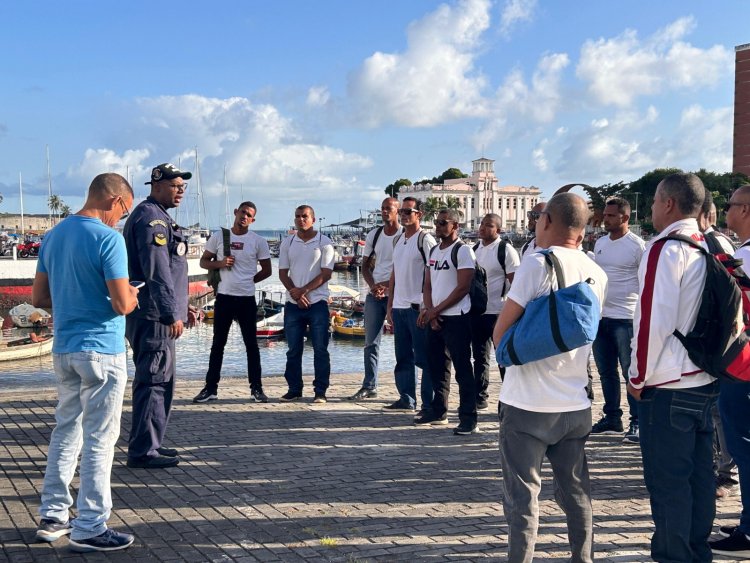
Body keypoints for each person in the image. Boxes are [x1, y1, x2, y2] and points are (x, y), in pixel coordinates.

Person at [492, 193, 607, 562]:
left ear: (547, 221)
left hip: (527, 402)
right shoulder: (598, 273)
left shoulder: (536, 263)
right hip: (575, 403)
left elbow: (500, 336)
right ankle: (583, 557)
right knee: (576, 492)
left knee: (523, 497)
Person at [33, 173, 138, 552]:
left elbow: (40, 297)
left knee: (66, 431)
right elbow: (122, 304)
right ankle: (91, 525)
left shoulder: (54, 236)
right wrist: (131, 297)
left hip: (64, 347)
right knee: (100, 438)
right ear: (115, 201)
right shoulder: (109, 238)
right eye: (124, 211)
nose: (121, 219)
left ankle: (53, 516)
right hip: (102, 349)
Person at [627, 173, 718, 563]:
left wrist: (636, 376)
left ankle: (673, 556)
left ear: (668, 203)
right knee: (700, 478)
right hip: (707, 376)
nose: (649, 210)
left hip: (668, 383)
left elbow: (652, 321)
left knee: (668, 483)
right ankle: (697, 552)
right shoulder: (712, 243)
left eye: (652, 203)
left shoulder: (665, 248)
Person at [124, 163, 196, 469]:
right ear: (156, 185)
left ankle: (150, 442)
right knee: (153, 381)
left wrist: (182, 306)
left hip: (159, 314)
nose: (180, 191)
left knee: (160, 381)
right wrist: (170, 311)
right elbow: (157, 270)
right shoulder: (151, 218)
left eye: (183, 187)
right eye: (175, 186)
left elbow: (171, 271)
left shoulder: (159, 217)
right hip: (153, 316)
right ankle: (143, 451)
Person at [192, 201, 272, 404]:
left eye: (249, 215)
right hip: (224, 298)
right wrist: (220, 263)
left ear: (253, 220)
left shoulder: (258, 241)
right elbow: (203, 262)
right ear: (236, 212)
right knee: (218, 344)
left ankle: (257, 389)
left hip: (246, 299)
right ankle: (211, 388)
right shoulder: (219, 237)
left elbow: (267, 270)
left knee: (251, 345)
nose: (244, 217)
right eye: (242, 212)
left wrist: (248, 280)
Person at [708, 184, 750, 558]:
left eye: (732, 205)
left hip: (744, 365)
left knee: (743, 445)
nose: (727, 211)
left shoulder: (746, 258)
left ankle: (749, 530)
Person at [416, 208, 478, 434]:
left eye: (443, 223)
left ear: (455, 226)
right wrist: (431, 310)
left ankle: (468, 417)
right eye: (436, 222)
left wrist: (436, 311)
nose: (438, 226)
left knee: (462, 369)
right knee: (436, 367)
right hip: (437, 317)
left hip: (457, 318)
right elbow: (428, 284)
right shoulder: (434, 250)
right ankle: (438, 409)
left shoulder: (463, 251)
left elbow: (463, 288)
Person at [590, 197, 645, 442]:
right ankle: (612, 417)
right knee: (605, 371)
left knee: (629, 371)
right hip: (601, 316)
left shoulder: (637, 246)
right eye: (605, 214)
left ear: (625, 218)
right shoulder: (600, 243)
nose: (605, 219)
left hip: (626, 317)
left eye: (611, 215)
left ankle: (638, 421)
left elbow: (646, 282)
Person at [697, 192, 739, 498]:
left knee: (720, 412)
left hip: (723, 339)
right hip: (715, 338)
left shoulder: (716, 243)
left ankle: (727, 473)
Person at [278, 205, 334, 403]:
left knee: (320, 348)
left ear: (313, 218)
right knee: (293, 349)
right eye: (297, 217)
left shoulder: (324, 243)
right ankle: (294, 388)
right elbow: (283, 272)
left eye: (305, 216)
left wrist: (304, 291)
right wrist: (295, 293)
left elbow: (326, 273)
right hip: (293, 305)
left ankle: (320, 391)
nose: (301, 220)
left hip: (317, 303)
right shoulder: (288, 243)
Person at [348, 197, 402, 401]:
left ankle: (405, 391)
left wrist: (388, 286)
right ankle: (369, 385)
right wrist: (373, 287)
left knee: (403, 345)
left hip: (398, 296)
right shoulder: (375, 234)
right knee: (370, 342)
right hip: (375, 295)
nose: (385, 212)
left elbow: (406, 269)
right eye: (382, 209)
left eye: (389, 209)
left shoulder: (403, 235)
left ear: (397, 211)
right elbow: (365, 265)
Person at [385, 197, 436, 412]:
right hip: (399, 306)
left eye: (409, 211)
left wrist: (427, 305)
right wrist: (390, 304)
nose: (404, 215)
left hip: (417, 307)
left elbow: (433, 273)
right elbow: (395, 272)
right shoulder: (398, 240)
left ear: (419, 214)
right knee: (403, 356)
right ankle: (406, 398)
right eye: (402, 212)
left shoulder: (425, 240)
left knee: (425, 358)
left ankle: (429, 402)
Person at [471, 213, 519, 405]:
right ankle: (480, 396)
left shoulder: (506, 250)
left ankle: (509, 398)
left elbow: (515, 283)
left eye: (488, 225)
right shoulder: (474, 249)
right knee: (480, 357)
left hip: (499, 312)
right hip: (478, 312)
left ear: (498, 230)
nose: (482, 227)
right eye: (481, 223)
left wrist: (512, 311)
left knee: (503, 357)